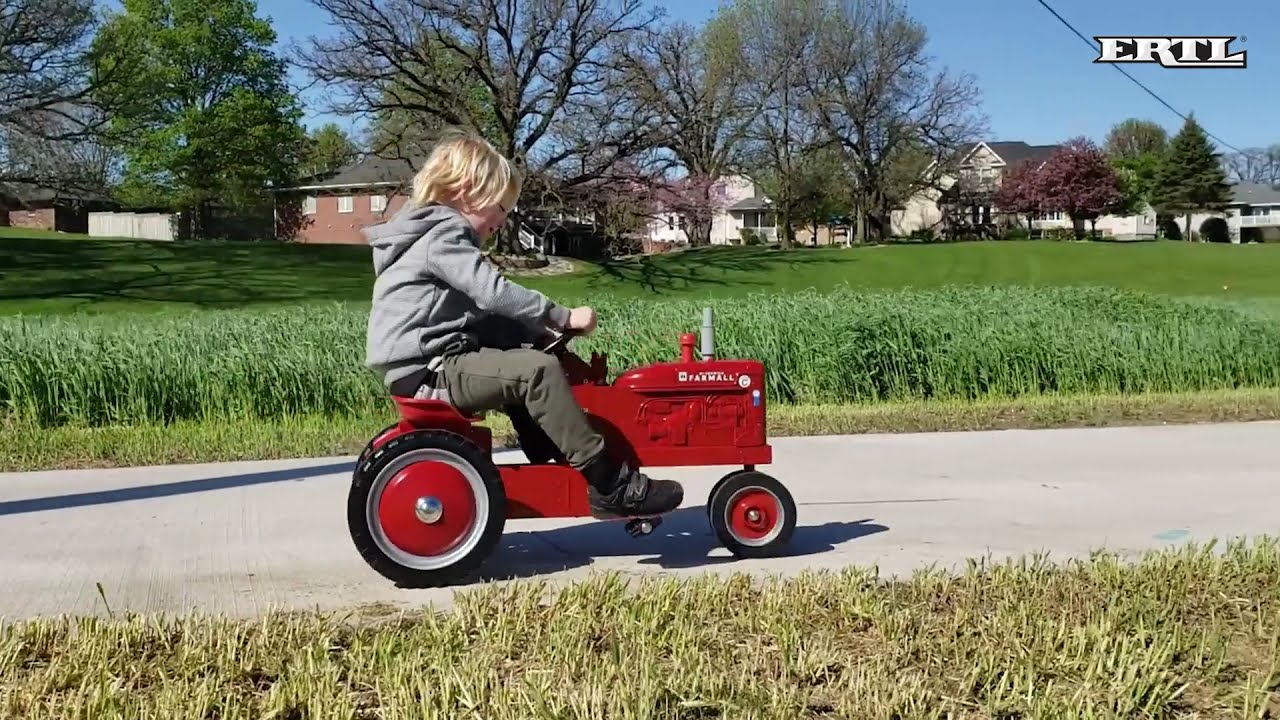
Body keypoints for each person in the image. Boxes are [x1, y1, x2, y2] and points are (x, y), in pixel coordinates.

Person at [362, 128, 684, 517]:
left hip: (422, 364)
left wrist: (539, 332)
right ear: (467, 190)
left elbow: (484, 315)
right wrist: (563, 317)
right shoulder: (445, 232)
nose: (501, 221)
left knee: (514, 344)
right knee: (537, 371)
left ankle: (547, 440)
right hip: (430, 371)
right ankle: (611, 485)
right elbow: (493, 292)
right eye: (498, 210)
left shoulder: (425, 233)